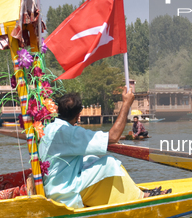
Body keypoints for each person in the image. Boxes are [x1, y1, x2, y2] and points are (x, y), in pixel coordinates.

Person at [39, 87, 169, 208]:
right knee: (109, 162)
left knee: (90, 158)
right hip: (65, 194)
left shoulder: (47, 128)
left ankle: (132, 191)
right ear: (78, 115)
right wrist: (126, 104)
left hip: (52, 188)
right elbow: (113, 137)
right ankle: (141, 196)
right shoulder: (71, 133)